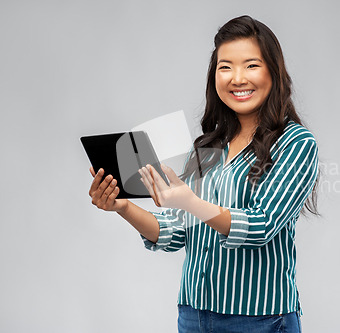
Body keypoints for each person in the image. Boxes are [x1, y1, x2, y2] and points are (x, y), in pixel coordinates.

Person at [88, 15, 320, 333]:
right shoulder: (208, 147)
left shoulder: (295, 144)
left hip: (259, 320)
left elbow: (261, 226)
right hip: (194, 316)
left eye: (251, 65)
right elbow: (176, 231)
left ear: (274, 73)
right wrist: (123, 206)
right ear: (215, 76)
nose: (237, 78)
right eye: (226, 67)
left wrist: (190, 202)